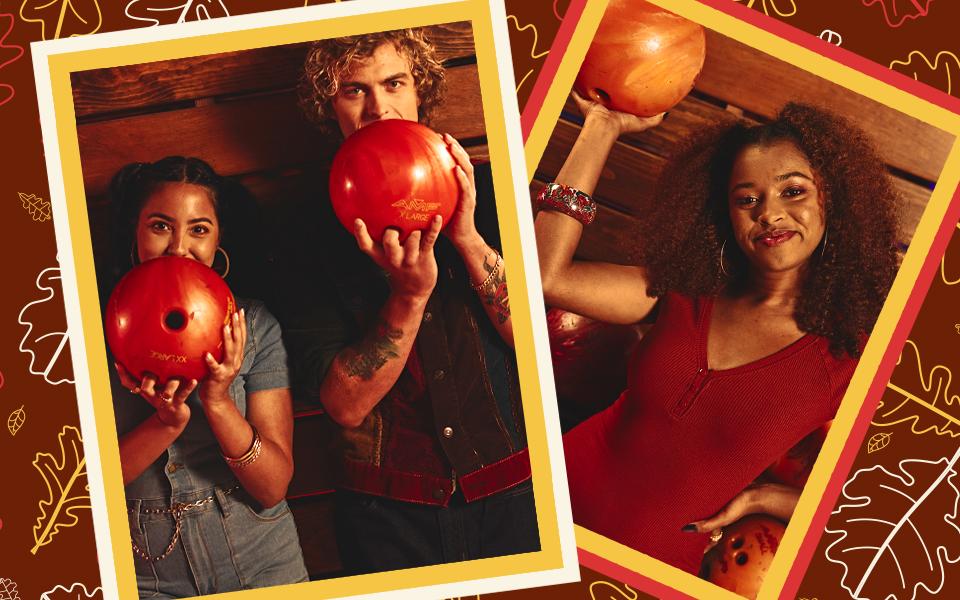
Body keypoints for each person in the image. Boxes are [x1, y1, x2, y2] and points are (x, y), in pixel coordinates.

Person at [535, 95, 899, 574]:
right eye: (747, 199)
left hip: (647, 570)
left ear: (832, 198)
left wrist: (762, 498)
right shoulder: (681, 289)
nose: (769, 214)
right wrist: (601, 126)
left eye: (793, 191)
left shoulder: (853, 357)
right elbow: (546, 276)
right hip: (537, 505)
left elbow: (879, 511)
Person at [284, 28, 538, 574]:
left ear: (419, 88)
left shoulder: (487, 189)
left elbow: (536, 343)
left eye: (394, 83)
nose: (379, 107)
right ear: (330, 108)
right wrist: (410, 295)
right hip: (386, 512)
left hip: (515, 486)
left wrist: (468, 238)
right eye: (354, 90)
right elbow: (345, 404)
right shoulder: (303, 227)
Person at [108, 157, 308, 598]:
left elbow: (273, 486)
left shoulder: (253, 325)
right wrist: (164, 424)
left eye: (198, 229)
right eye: (161, 226)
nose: (179, 247)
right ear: (135, 232)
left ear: (218, 241)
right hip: (145, 579)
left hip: (261, 561)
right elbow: (82, 491)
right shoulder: (90, 328)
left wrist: (218, 401)